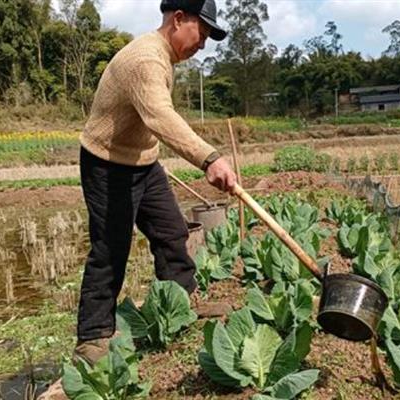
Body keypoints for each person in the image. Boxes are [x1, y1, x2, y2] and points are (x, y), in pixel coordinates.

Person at [73, 0, 236, 366]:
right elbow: (160, 115)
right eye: (203, 33)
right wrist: (210, 158)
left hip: (144, 161)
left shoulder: (165, 57)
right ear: (179, 19)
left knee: (171, 230)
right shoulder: (145, 59)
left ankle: (180, 300)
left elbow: (149, 120)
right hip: (107, 164)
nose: (203, 44)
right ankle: (92, 338)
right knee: (110, 248)